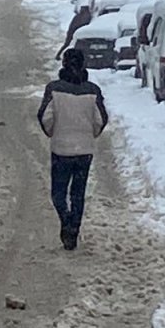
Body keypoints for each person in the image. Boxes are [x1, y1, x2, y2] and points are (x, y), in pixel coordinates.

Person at [36, 48, 108, 250]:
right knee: (78, 193)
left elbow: (45, 117)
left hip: (61, 149)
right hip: (84, 150)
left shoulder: (54, 89)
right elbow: (100, 120)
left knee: (58, 194)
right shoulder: (93, 90)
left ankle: (66, 221)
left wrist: (53, 132)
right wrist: (90, 134)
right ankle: (73, 229)